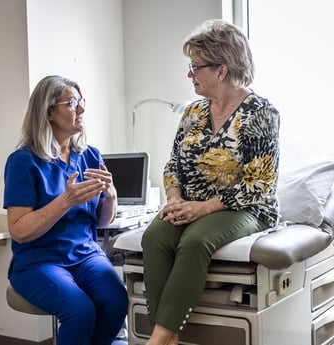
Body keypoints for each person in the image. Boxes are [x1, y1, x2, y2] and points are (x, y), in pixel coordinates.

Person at [141, 19, 280, 345]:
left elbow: (259, 184)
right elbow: (173, 164)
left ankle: (158, 339)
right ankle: (169, 336)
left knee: (194, 241)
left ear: (221, 70)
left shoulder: (260, 113)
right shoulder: (192, 113)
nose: (190, 75)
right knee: (154, 236)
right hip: (191, 204)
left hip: (246, 207)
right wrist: (174, 199)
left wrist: (202, 209)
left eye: (195, 67)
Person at [3, 75, 128, 345]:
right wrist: (65, 201)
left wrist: (110, 194)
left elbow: (104, 221)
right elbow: (19, 230)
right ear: (48, 112)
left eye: (81, 102)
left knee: (116, 300)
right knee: (80, 311)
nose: (81, 110)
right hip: (40, 261)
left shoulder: (90, 155)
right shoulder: (23, 161)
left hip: (85, 255)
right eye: (72, 103)